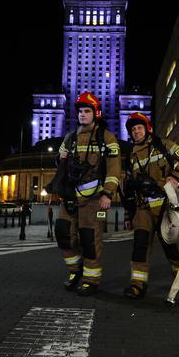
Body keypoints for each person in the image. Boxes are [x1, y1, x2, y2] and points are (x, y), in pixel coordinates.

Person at [54, 92, 121, 296]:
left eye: (87, 111)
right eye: (80, 111)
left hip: (93, 198)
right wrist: (60, 157)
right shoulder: (69, 138)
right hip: (70, 197)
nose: (82, 115)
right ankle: (76, 271)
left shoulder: (106, 137)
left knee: (90, 239)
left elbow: (114, 169)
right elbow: (59, 163)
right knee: (63, 233)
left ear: (95, 113)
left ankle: (91, 279)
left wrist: (108, 194)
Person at [122, 112, 179, 299]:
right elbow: (127, 189)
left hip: (165, 206)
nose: (136, 131)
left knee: (170, 245)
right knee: (140, 245)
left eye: (139, 128)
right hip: (142, 209)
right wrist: (129, 216)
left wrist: (176, 176)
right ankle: (137, 284)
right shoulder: (129, 156)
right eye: (133, 129)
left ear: (147, 129)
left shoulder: (163, 145)